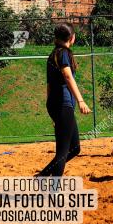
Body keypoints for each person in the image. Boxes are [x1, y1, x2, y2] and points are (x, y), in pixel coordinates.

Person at [37, 23, 90, 177]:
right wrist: (80, 100)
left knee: (74, 148)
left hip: (57, 105)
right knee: (63, 151)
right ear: (71, 38)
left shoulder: (53, 54)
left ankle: (42, 176)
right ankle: (53, 191)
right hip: (62, 104)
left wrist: (51, 110)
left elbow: (49, 85)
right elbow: (67, 76)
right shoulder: (63, 53)